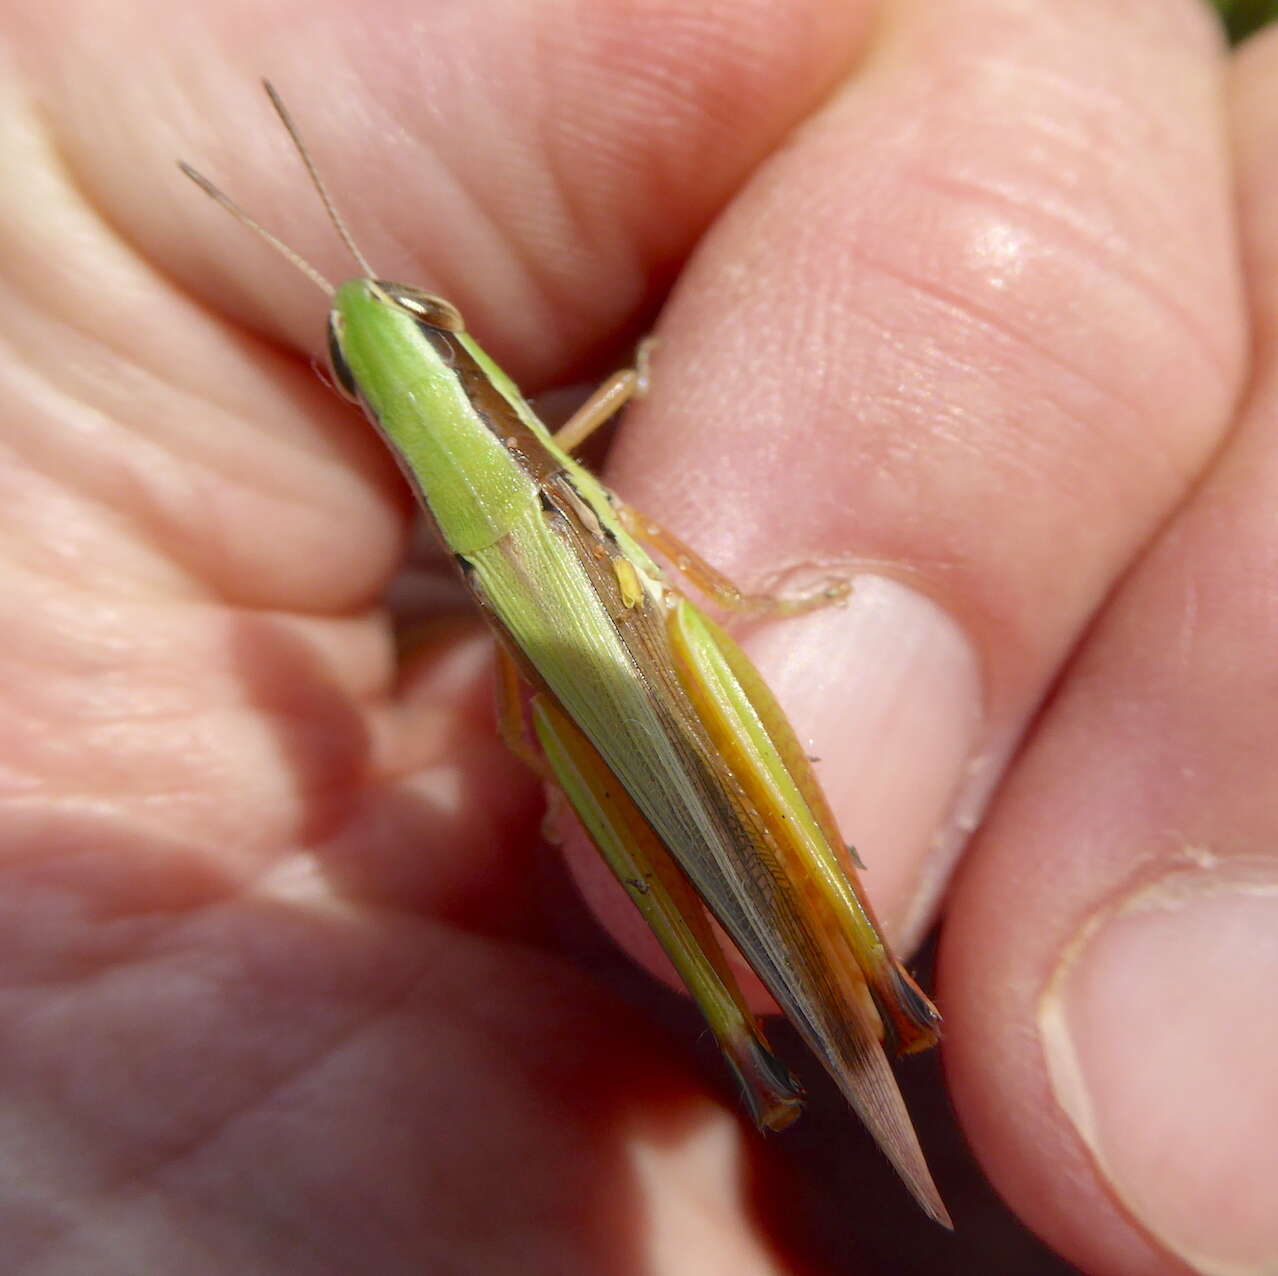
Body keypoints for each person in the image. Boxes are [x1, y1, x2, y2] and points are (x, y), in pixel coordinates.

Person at [1, 2, 1273, 1272]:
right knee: (675, 631)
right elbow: (622, 486)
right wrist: (761, 600)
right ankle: (837, 1012)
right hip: (604, 592)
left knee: (574, 724)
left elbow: (511, 717)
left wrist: (565, 777)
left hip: (554, 660)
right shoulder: (557, 453)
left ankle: (840, 1011)